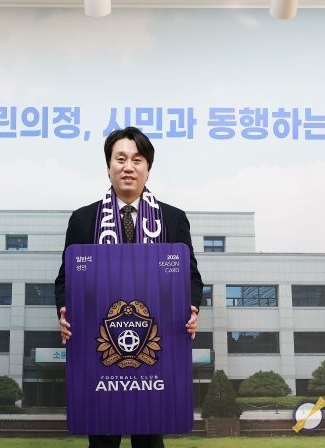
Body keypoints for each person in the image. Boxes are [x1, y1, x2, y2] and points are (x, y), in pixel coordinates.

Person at [54, 126, 203, 448]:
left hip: (156, 348)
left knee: (149, 437)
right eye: (120, 159)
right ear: (108, 166)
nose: (128, 167)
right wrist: (64, 312)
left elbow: (190, 277)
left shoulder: (172, 218)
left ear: (148, 168)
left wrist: (191, 308)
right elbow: (66, 279)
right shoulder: (83, 219)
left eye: (137, 160)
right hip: (98, 348)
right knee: (102, 438)